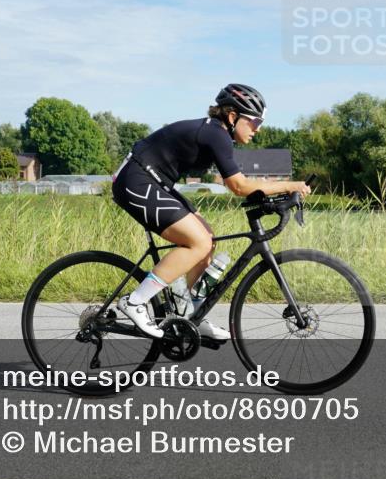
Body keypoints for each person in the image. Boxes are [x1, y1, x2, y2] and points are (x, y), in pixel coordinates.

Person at [112, 83, 311, 341]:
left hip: (155, 181)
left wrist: (274, 196)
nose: (258, 129)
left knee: (207, 238)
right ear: (232, 116)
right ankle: (135, 301)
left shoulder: (218, 134)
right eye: (255, 121)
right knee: (198, 242)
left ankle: (190, 314)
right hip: (136, 180)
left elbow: (242, 185)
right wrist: (290, 185)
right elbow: (238, 186)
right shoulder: (216, 134)